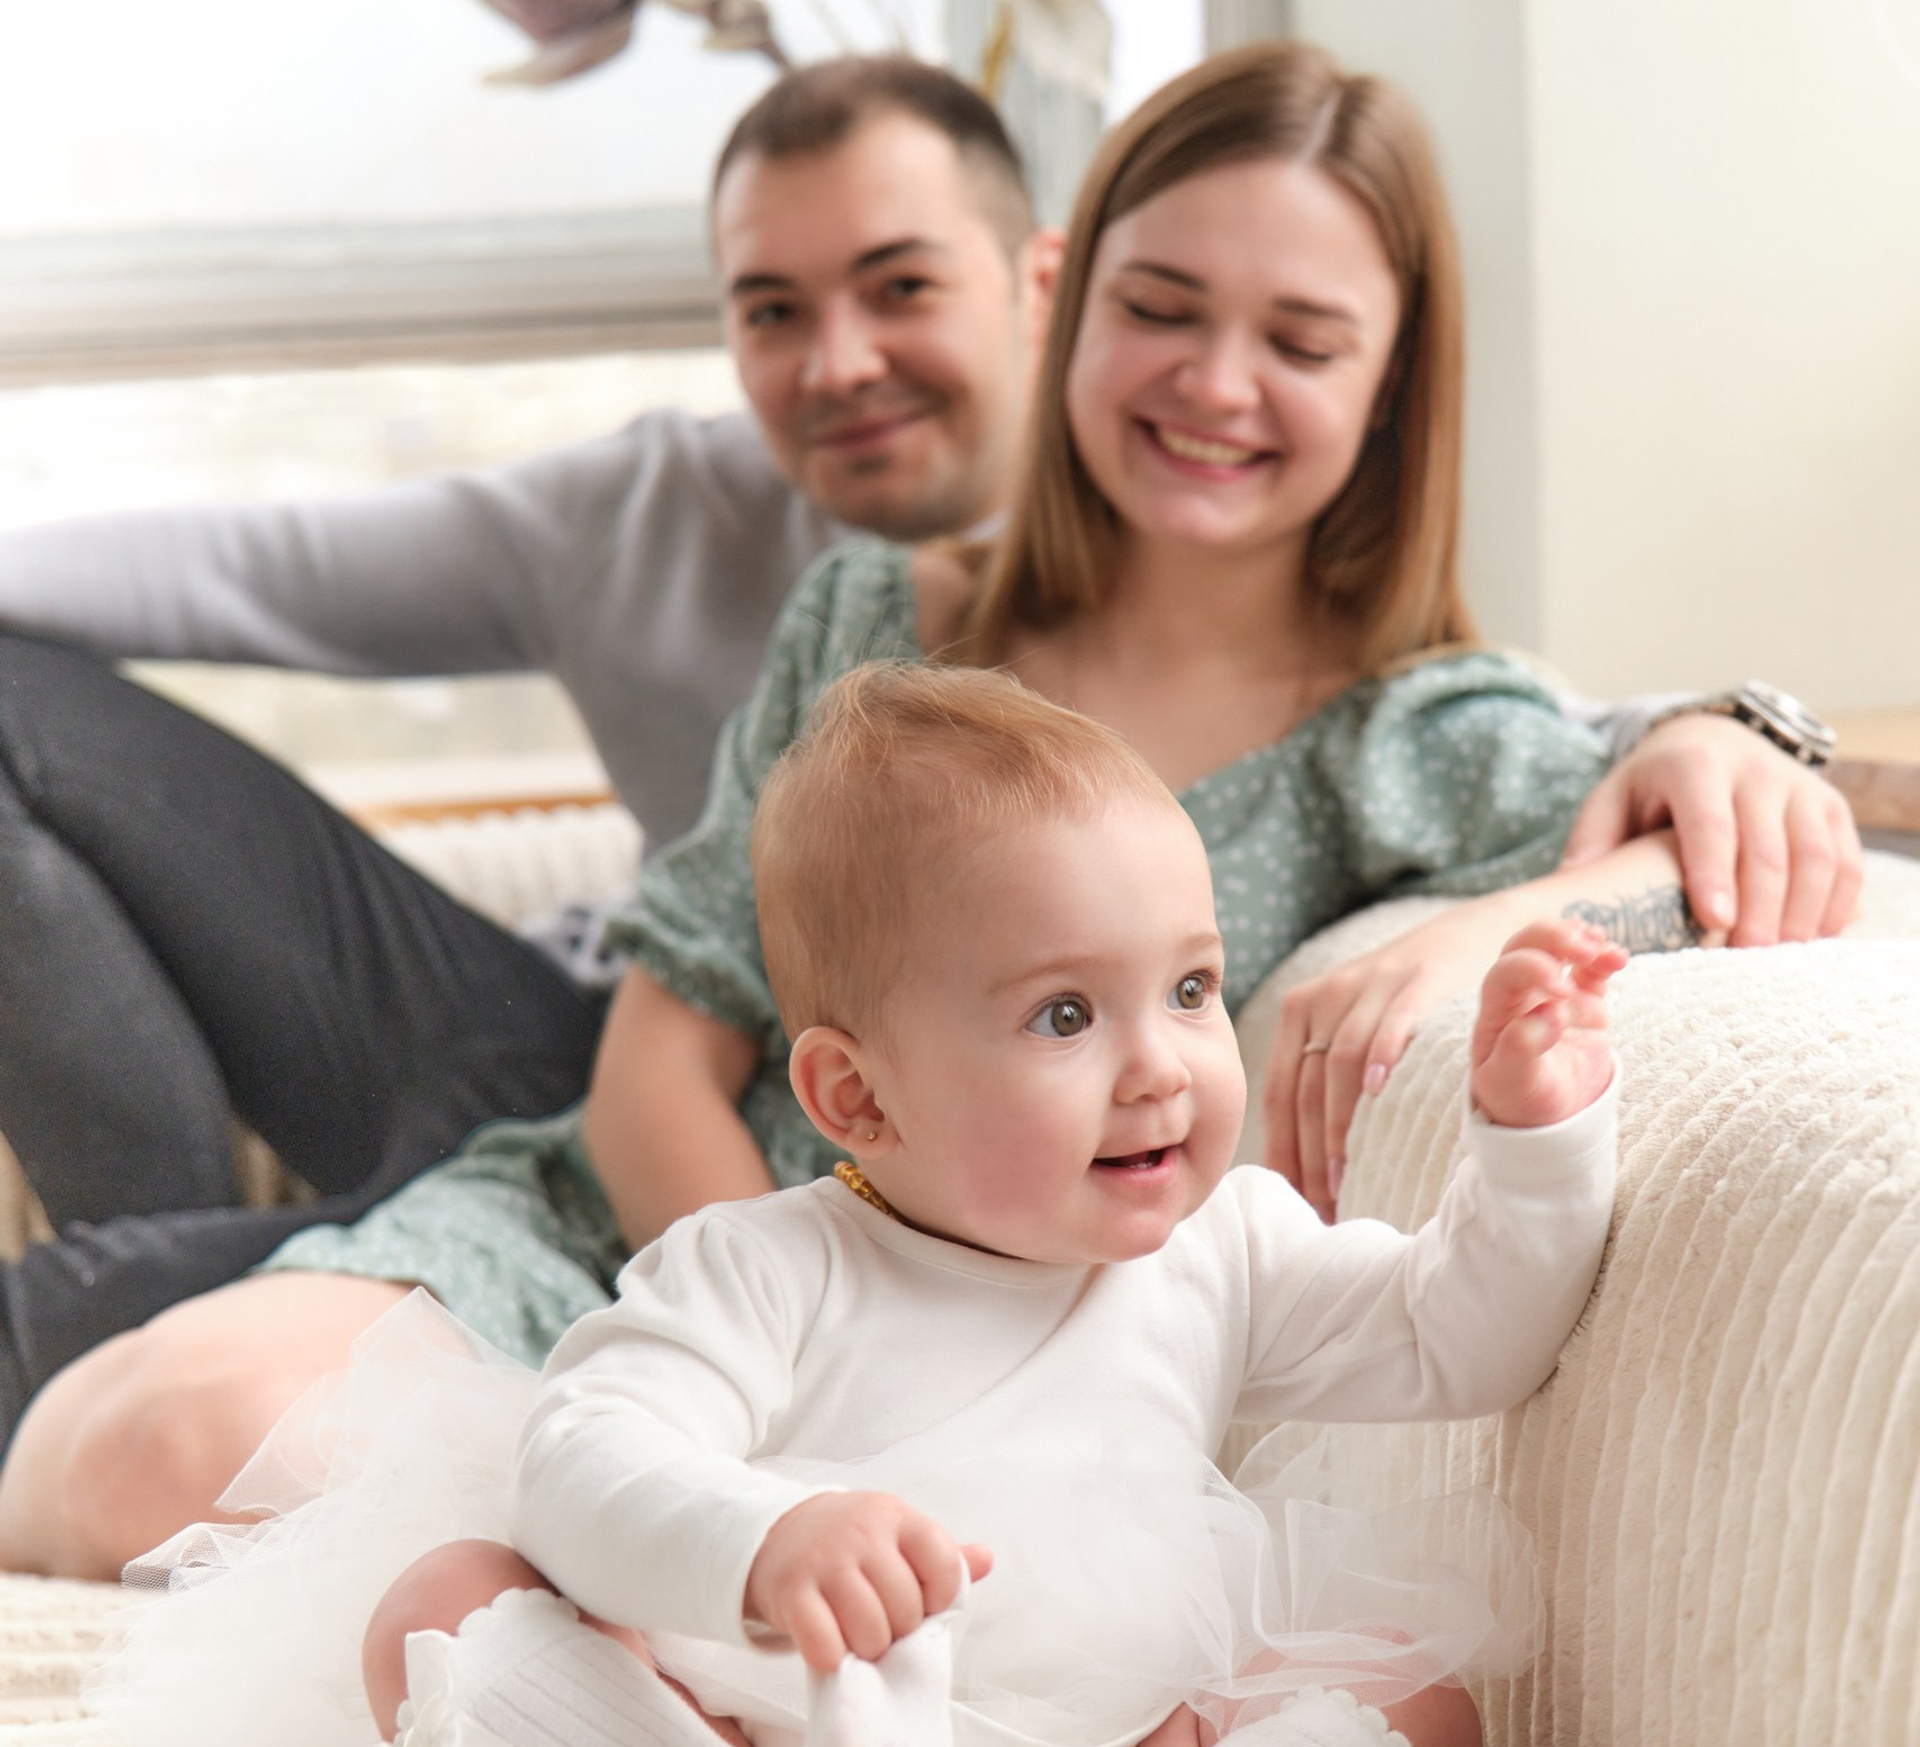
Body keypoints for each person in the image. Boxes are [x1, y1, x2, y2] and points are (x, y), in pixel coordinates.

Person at [0, 47, 1857, 1577]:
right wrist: (761, 1363)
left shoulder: (1414, 734)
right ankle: (600, 1535)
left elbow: (1690, 829)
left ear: (1388, 390)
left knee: (258, 1477)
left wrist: (1540, 888)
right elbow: (658, 1061)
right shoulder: (878, 615)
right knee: (134, 1443)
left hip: (968, 1360)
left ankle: (600, 1586)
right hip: (663, 1245)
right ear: (1072, 306)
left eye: (1302, 341)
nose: (1214, 384)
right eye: (1160, 309)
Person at [98, 661, 1627, 1747]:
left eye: (1190, 988)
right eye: (1067, 1015)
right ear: (857, 1096)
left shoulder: (1223, 1247)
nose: (1163, 1064)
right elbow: (580, 1462)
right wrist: (764, 1545)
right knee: (438, 1608)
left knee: (1420, 1701)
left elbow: (1457, 1338)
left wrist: (1537, 1140)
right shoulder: (765, 1268)